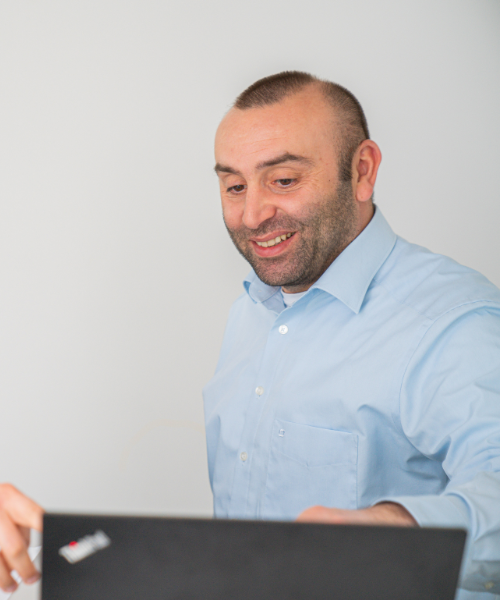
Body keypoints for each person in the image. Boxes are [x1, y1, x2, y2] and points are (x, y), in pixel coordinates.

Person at [1, 71, 499, 598]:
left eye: (283, 180)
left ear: (362, 170)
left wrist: (394, 527)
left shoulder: (452, 320)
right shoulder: (252, 312)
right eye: (234, 185)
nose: (252, 214)